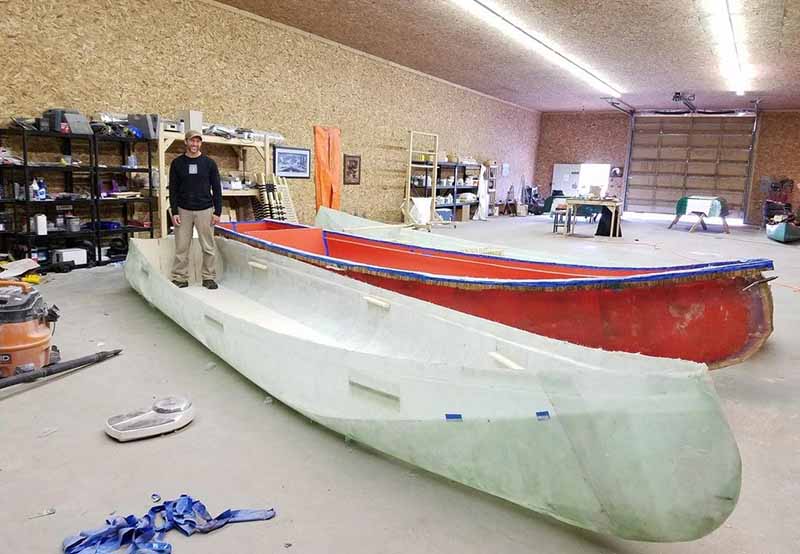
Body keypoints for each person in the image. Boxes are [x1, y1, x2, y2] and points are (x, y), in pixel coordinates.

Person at [169, 130, 222, 289]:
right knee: (182, 247)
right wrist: (174, 212)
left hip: (205, 210)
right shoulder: (177, 163)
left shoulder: (209, 163)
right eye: (192, 141)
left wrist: (217, 212)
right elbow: (173, 190)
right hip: (183, 210)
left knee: (208, 246)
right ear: (186, 142)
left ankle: (208, 277)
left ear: (201, 143)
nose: (195, 144)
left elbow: (217, 189)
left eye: (198, 141)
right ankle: (180, 277)